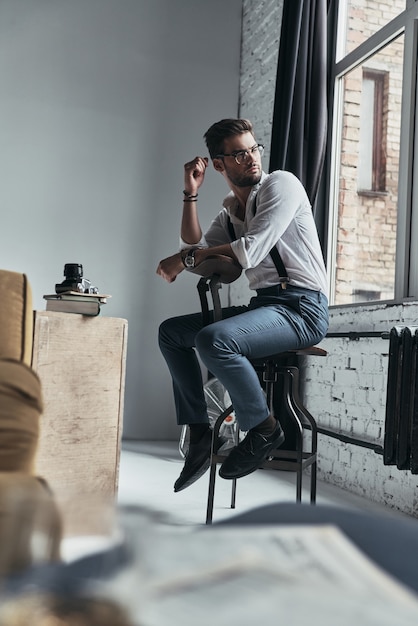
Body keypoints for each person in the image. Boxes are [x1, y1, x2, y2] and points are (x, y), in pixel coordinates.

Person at [157, 118, 329, 493]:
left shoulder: (281, 185)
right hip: (266, 306)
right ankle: (201, 433)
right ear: (219, 165)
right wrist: (190, 194)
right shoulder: (231, 213)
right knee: (172, 333)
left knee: (215, 340)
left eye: (253, 149)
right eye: (239, 153)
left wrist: (183, 260)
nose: (251, 158)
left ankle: (264, 428)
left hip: (303, 308)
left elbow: (249, 252)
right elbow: (194, 251)